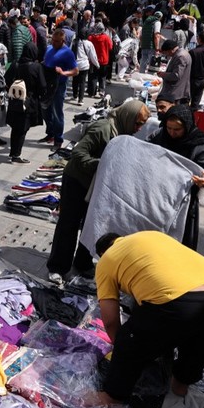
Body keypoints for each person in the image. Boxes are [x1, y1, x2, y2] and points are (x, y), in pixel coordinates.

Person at [90, 231, 204, 406]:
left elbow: (110, 321)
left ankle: (111, 396)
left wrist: (123, 348)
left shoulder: (106, 261)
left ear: (102, 253)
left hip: (181, 305)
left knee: (127, 340)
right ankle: (181, 384)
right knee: (198, 340)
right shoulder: (149, 236)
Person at [47, 100, 150, 284]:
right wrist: (101, 165)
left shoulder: (123, 131)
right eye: (137, 123)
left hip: (96, 184)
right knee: (68, 224)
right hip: (77, 181)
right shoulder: (103, 128)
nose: (139, 128)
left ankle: (83, 263)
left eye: (142, 124)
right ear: (128, 117)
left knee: (92, 223)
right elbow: (78, 153)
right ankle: (57, 267)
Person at [149, 104, 204, 250]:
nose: (172, 133)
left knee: (178, 247)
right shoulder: (160, 135)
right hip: (155, 199)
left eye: (177, 129)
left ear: (187, 126)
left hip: (183, 205)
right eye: (169, 128)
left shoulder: (200, 144)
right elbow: (144, 150)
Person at [4, 41, 46, 164]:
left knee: (15, 127)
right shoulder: (36, 67)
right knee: (22, 129)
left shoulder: (15, 64)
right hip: (29, 102)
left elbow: (6, 80)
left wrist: (14, 90)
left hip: (14, 101)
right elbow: (42, 86)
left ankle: (13, 152)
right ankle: (16, 155)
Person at [41, 29, 79, 148]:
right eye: (52, 40)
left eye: (56, 41)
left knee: (57, 112)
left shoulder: (68, 53)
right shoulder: (49, 48)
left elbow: (76, 71)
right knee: (45, 110)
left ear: (63, 40)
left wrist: (63, 73)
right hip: (46, 84)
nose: (53, 42)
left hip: (59, 85)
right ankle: (50, 133)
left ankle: (58, 139)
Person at [157, 39, 192, 105]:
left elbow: (176, 75)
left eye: (166, 53)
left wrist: (163, 75)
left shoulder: (180, 56)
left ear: (170, 50)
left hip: (177, 92)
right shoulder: (182, 53)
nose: (167, 55)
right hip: (177, 90)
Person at [71, 27, 98, 105]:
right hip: (84, 65)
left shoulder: (75, 42)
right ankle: (80, 99)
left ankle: (75, 95)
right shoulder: (89, 43)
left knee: (75, 80)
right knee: (82, 82)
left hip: (75, 64)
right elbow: (93, 56)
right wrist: (97, 64)